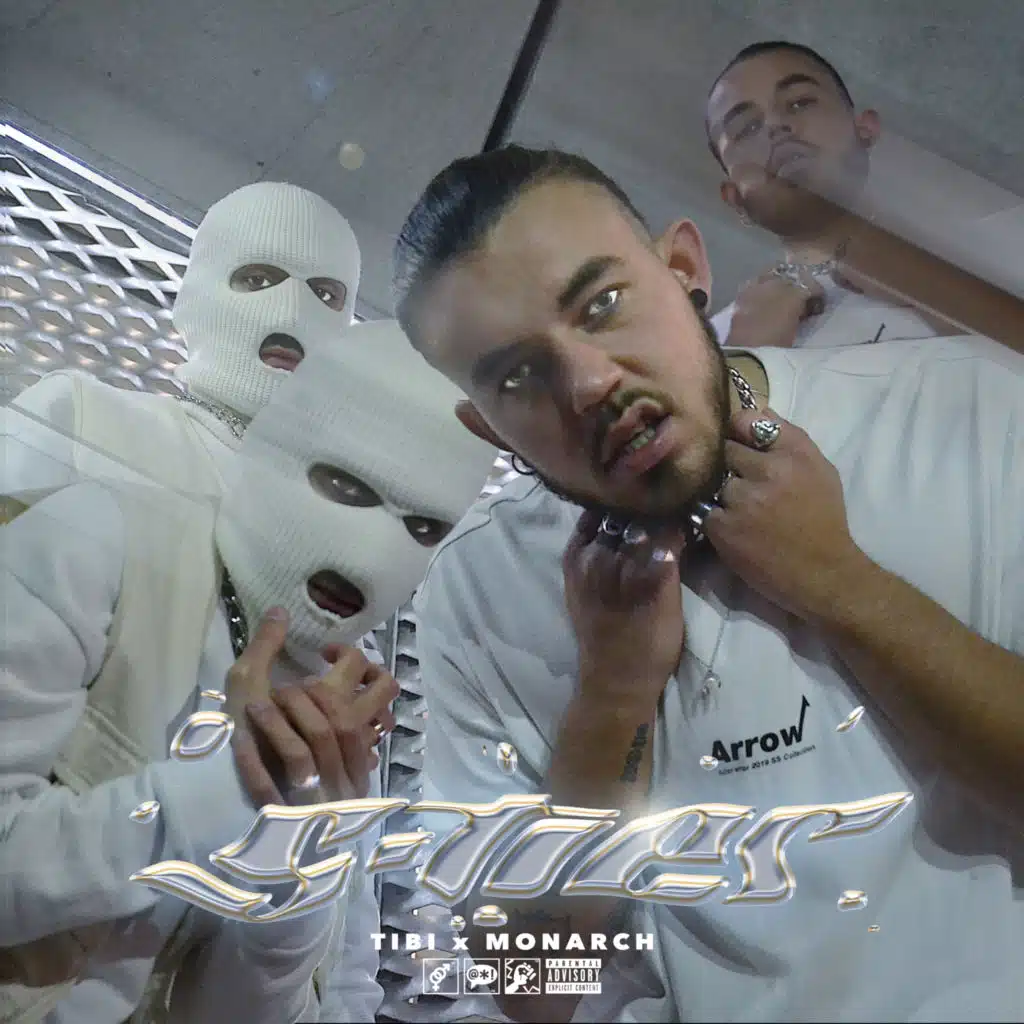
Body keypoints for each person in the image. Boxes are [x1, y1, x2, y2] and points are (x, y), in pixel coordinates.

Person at [382, 144, 1023, 1023]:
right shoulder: (478, 593)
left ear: (684, 268)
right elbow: (531, 991)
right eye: (519, 377)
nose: (591, 383)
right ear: (488, 427)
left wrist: (842, 586)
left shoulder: (959, 409)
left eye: (602, 306)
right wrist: (610, 704)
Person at [0, 318, 496, 1022]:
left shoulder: (348, 692)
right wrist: (223, 788)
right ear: (281, 448)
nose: (376, 548)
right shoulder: (103, 540)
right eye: (345, 486)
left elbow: (258, 1007)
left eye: (423, 529)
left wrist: (292, 866)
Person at [5, 179, 360, 510]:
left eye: (324, 295)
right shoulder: (82, 417)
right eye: (258, 279)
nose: (294, 314)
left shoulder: (341, 516)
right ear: (197, 297)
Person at [705, 41, 1024, 353]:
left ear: (865, 128)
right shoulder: (715, 349)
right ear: (735, 199)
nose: (775, 126)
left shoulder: (1005, 245)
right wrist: (749, 358)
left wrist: (931, 285)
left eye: (800, 102)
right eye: (746, 128)